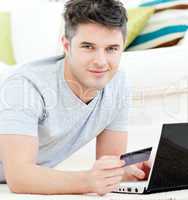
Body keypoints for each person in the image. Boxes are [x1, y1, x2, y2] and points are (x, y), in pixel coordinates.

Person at [0, 0, 150, 196]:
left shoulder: (117, 85)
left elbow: (108, 164)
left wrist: (127, 170)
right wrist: (87, 181)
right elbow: (20, 177)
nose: (100, 61)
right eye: (88, 47)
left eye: (112, 48)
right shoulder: (26, 86)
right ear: (66, 45)